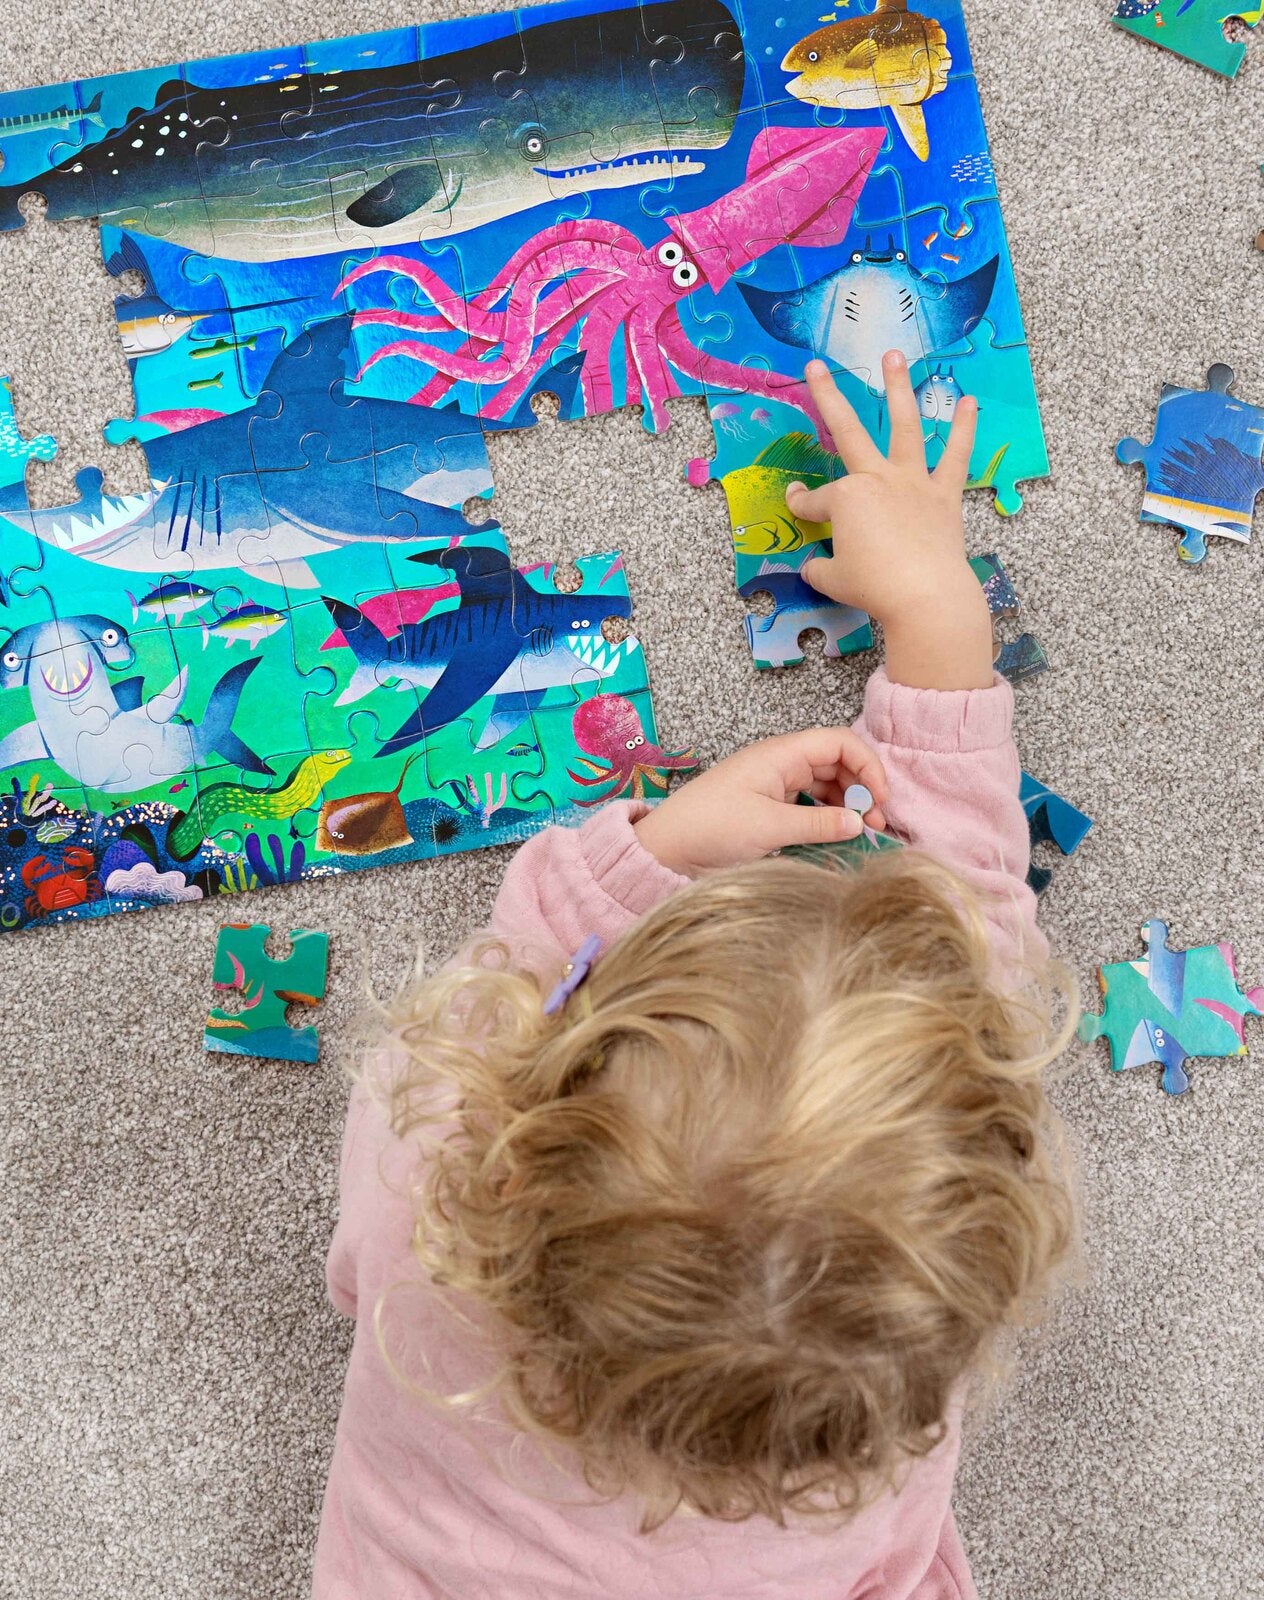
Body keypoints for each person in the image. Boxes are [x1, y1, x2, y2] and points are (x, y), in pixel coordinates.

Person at [313, 352, 1075, 1599]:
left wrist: (645, 851)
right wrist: (938, 609)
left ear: (512, 1148)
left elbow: (450, 1040)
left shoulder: (425, 1199)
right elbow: (981, 926)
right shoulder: (884, 1393)